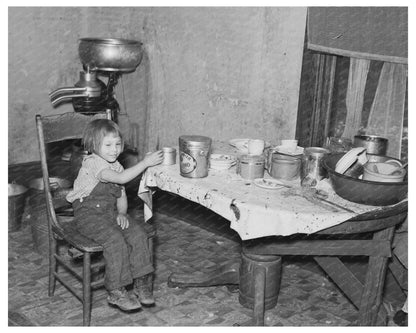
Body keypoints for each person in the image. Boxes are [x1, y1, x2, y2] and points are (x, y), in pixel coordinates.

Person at [66, 118, 163, 311]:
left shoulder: (117, 165)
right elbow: (120, 179)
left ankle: (141, 282)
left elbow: (121, 193)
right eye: (108, 145)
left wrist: (122, 213)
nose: (114, 149)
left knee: (137, 234)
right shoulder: (93, 163)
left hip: (109, 213)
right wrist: (145, 163)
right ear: (94, 146)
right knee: (115, 240)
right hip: (88, 215)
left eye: (117, 144)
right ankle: (116, 291)